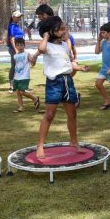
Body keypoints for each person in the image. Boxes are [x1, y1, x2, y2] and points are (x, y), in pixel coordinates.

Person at [35, 16, 90, 160]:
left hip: (67, 81)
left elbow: (69, 63)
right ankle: (40, 145)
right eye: (60, 28)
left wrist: (80, 68)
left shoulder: (65, 45)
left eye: (64, 27)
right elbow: (41, 49)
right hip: (54, 83)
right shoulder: (47, 45)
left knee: (72, 114)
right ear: (51, 31)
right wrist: (46, 36)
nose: (64, 30)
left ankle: (74, 141)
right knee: (49, 115)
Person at [11, 37, 41, 112]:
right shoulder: (15, 56)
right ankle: (21, 107)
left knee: (22, 91)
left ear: (24, 45)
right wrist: (13, 77)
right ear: (15, 46)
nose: (20, 47)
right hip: (17, 77)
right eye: (18, 45)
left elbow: (32, 63)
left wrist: (34, 60)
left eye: (21, 45)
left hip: (24, 77)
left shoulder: (27, 54)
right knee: (18, 92)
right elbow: (16, 67)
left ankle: (34, 98)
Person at [7, 11, 26, 93]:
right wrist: (16, 50)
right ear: (13, 17)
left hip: (20, 49)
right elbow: (12, 38)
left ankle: (21, 86)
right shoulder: (12, 26)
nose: (19, 18)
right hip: (14, 49)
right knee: (14, 66)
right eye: (17, 17)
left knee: (21, 66)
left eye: (20, 17)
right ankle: (11, 86)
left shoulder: (16, 25)